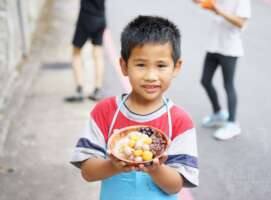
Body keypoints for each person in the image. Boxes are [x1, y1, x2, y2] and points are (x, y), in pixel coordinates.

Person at [70, 16, 199, 200]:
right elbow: (88, 172)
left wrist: (156, 169)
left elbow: (175, 185)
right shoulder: (105, 112)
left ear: (176, 67)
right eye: (141, 65)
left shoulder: (179, 121)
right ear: (124, 66)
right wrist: (113, 165)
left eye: (161, 65)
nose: (151, 76)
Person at [193, 0, 251, 140]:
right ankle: (218, 113)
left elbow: (241, 22)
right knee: (205, 81)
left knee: (228, 85)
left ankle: (232, 124)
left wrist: (218, 10)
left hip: (230, 49)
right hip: (214, 45)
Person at [65, 0, 106, 102]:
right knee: (98, 54)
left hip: (86, 16)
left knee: (76, 52)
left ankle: (79, 90)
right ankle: (97, 90)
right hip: (101, 17)